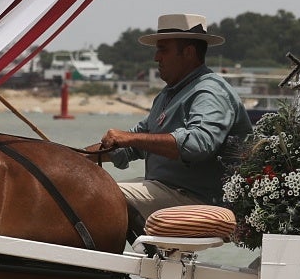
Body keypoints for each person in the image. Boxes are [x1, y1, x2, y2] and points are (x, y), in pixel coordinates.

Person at [88, 13, 252, 216]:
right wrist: (74, 157)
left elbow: (199, 144)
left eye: (163, 50)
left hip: (196, 199)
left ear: (189, 52)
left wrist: (129, 138)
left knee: (92, 194)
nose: (156, 57)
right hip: (165, 190)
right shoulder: (169, 94)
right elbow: (127, 146)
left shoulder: (210, 91)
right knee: (81, 189)